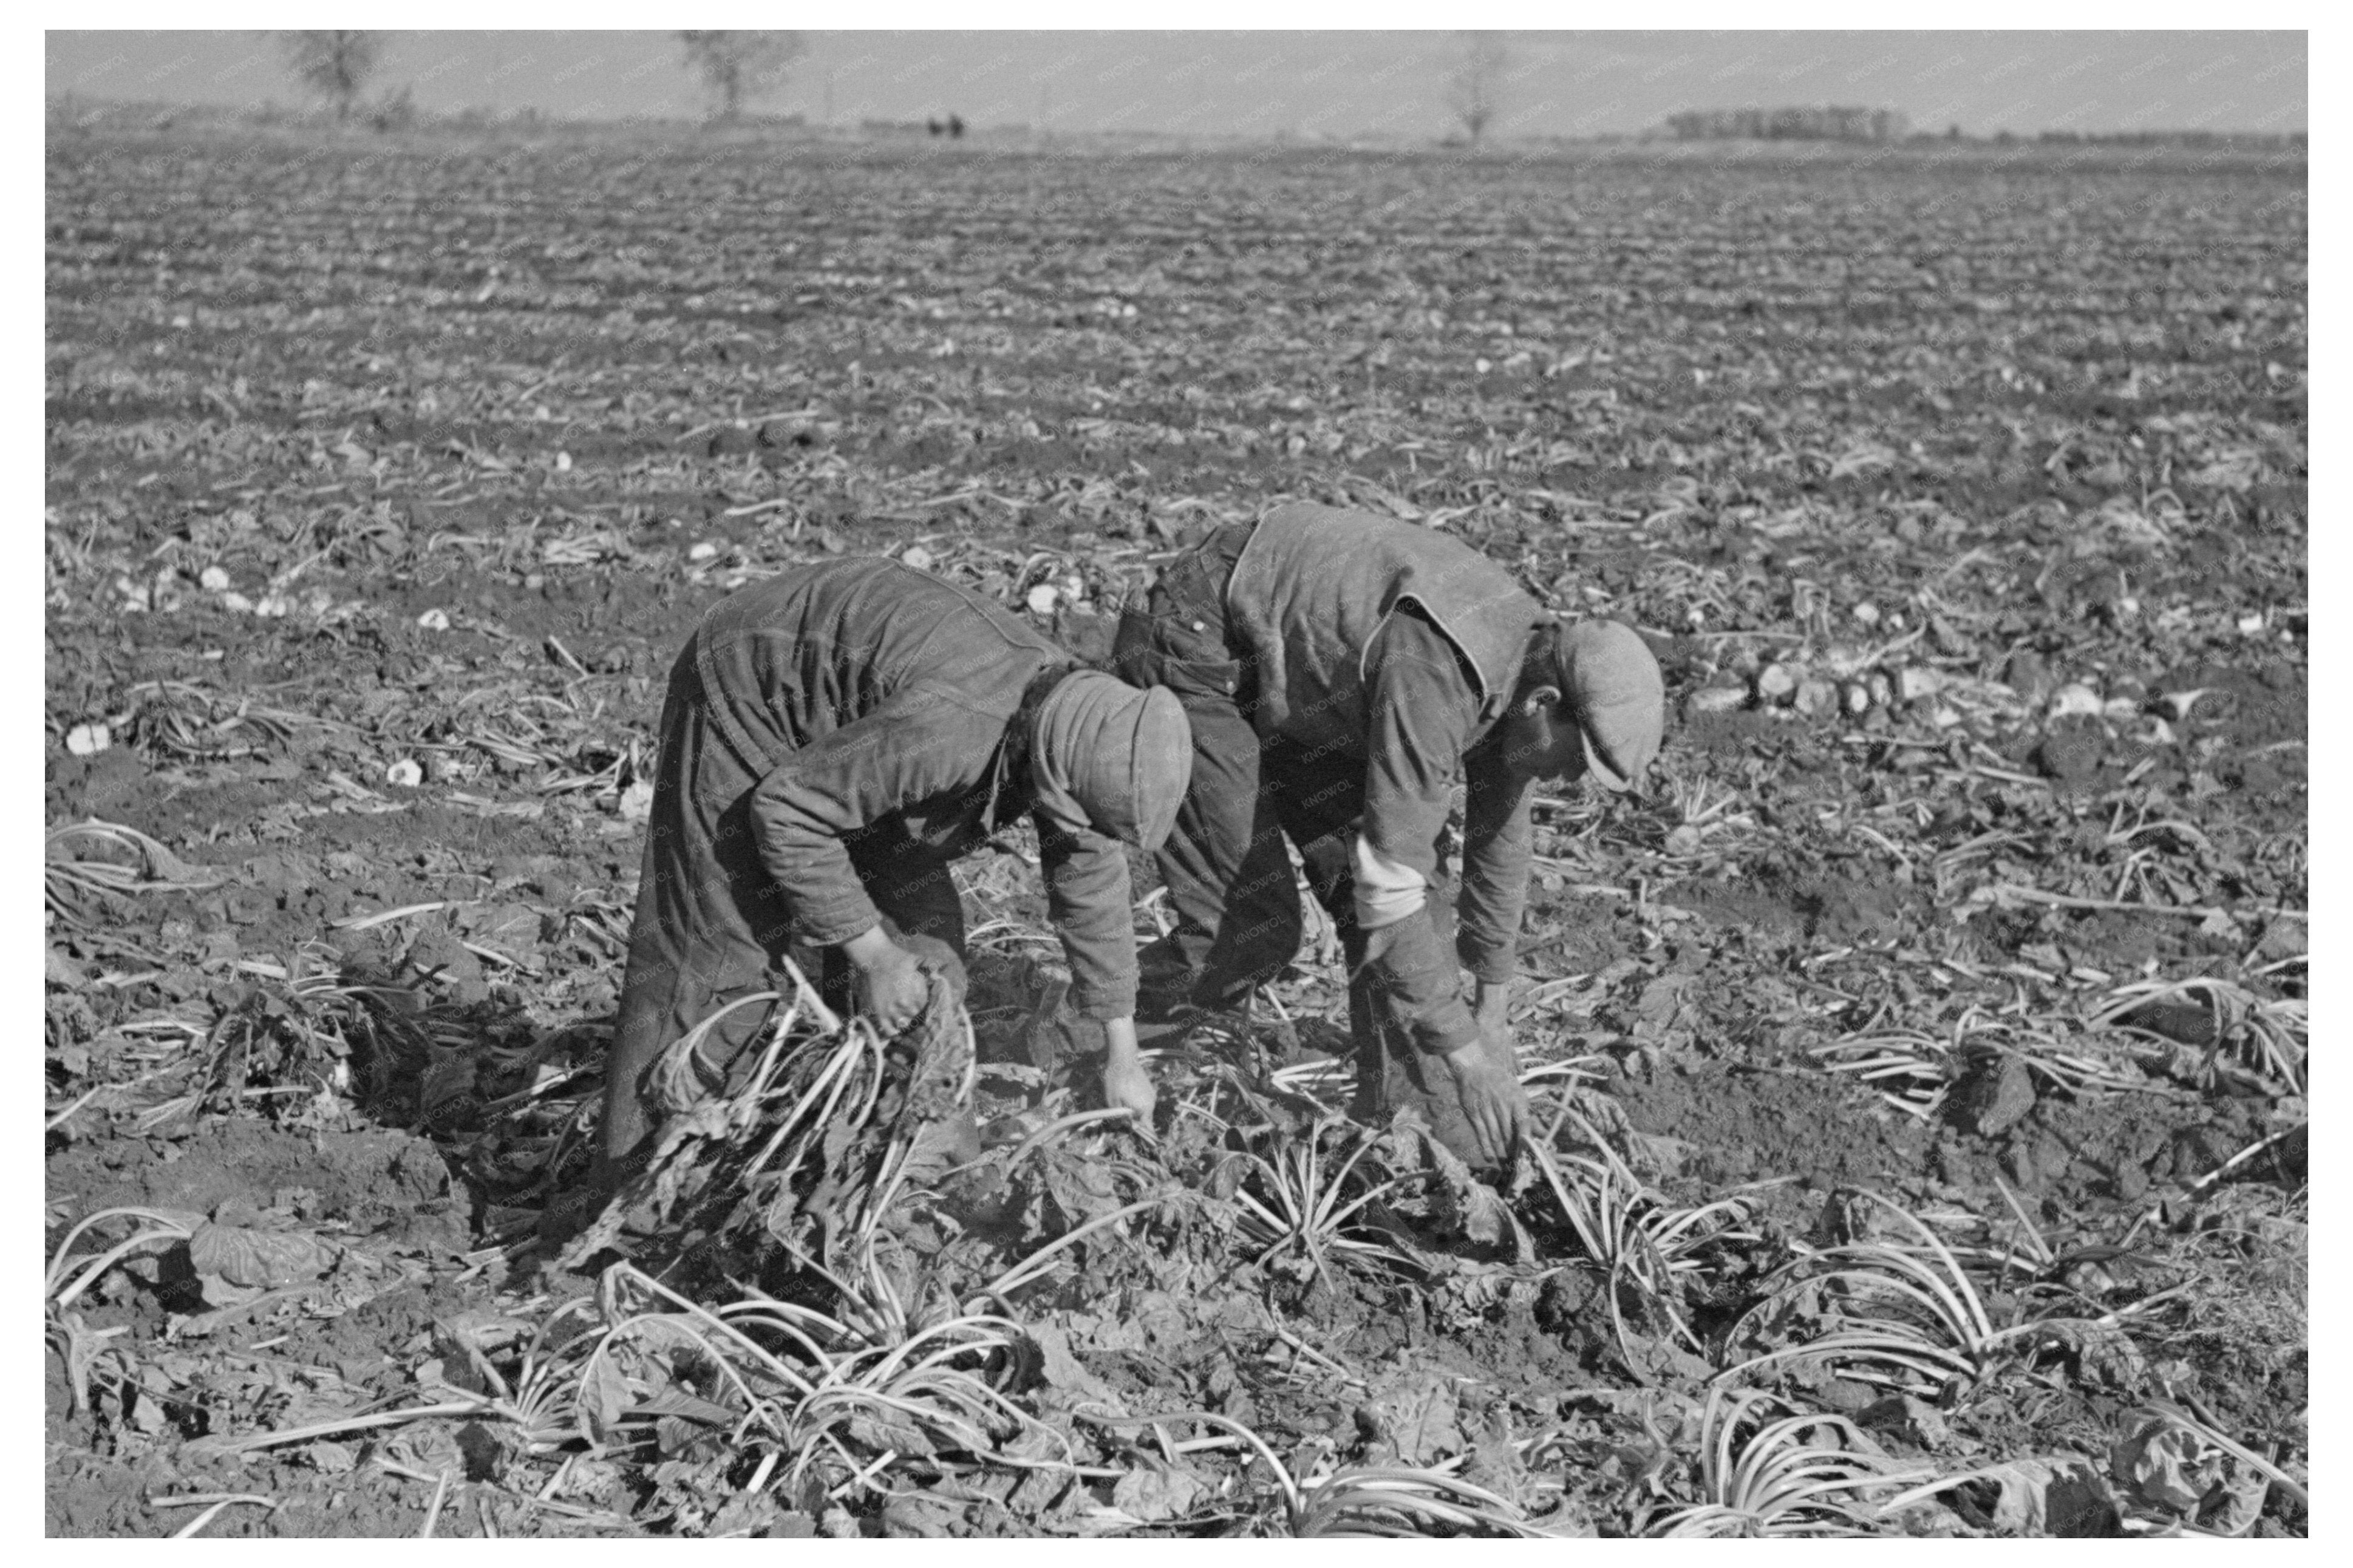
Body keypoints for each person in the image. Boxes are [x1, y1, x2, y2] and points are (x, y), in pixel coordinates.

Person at [576, 557, 1191, 1223]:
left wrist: (1122, 1059)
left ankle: (914, 1184)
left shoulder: (1087, 729)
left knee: (931, 961)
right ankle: (628, 1210)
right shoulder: (952, 729)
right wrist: (872, 956)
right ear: (1051, 773)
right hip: (752, 691)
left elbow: (1092, 890)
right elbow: (789, 811)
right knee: (717, 962)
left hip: (858, 736)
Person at [1112, 501, 1664, 1170]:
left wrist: (1489, 1013)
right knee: (1247, 931)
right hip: (1201, 643)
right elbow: (1388, 885)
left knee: (1411, 930)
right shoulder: (1441, 673)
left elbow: (1499, 848)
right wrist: (1465, 1058)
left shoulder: (1523, 677)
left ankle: (1408, 1150)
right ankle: (1086, 1049)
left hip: (1303, 683)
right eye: (1579, 761)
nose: (1574, 781)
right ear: (1544, 709)